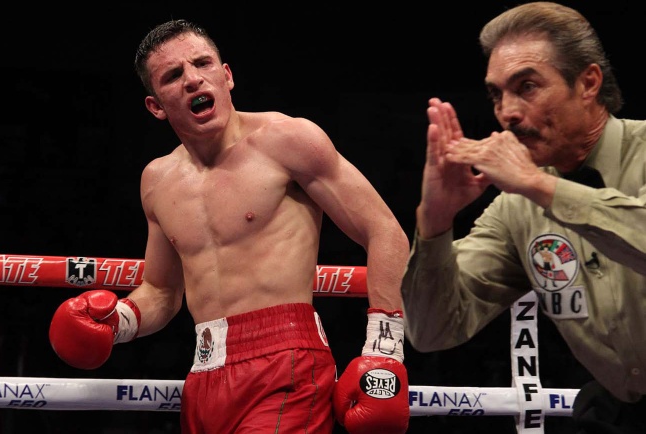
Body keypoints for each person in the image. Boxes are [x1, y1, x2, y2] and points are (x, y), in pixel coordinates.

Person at [47, 19, 410, 434]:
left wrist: (384, 350)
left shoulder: (288, 140)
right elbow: (162, 292)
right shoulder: (157, 180)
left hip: (286, 364)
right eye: (173, 75)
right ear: (156, 106)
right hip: (203, 375)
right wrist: (118, 322)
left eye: (202, 63)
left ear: (227, 76)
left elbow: (384, 231)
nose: (192, 79)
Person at [401, 2, 646, 433]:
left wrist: (540, 186)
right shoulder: (517, 207)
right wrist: (435, 221)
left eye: (527, 86)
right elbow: (433, 330)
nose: (507, 112)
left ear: (588, 83)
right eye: (497, 94)